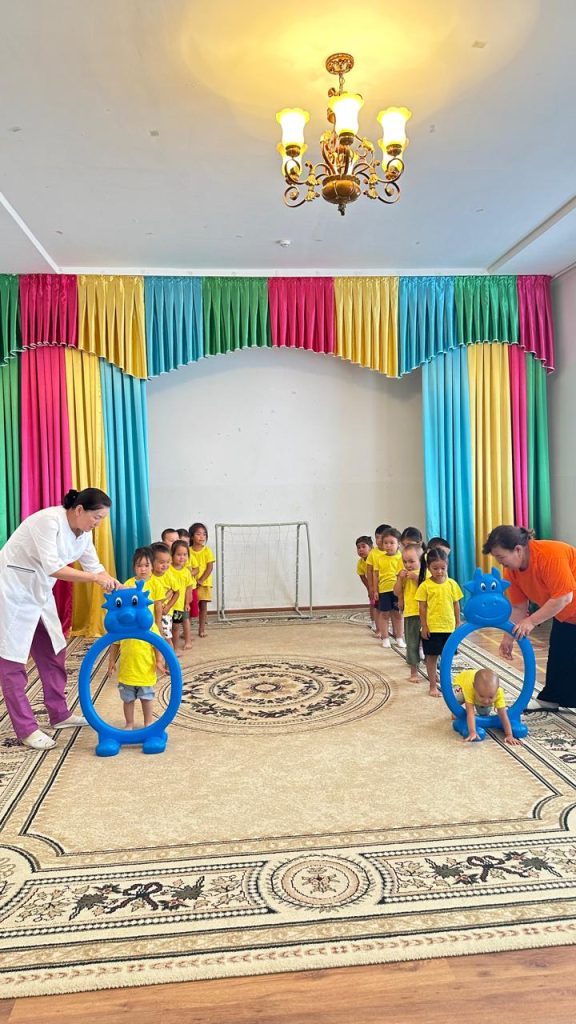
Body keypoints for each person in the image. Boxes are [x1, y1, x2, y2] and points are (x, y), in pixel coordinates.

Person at [0, 488, 119, 749]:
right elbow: (53, 567)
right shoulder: (48, 521)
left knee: (55, 650)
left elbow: (95, 567)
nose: (98, 524)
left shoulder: (84, 533)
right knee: (12, 661)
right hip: (12, 590)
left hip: (40, 591)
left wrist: (119, 587)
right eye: (96, 517)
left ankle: (59, 714)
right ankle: (26, 729)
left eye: (102, 519)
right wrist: (95, 579)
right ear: (79, 510)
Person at [482, 525, 576, 710]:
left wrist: (532, 621)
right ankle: (551, 698)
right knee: (560, 655)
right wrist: (508, 637)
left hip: (566, 604)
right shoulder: (512, 571)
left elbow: (564, 596)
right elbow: (518, 607)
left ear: (518, 549)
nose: (500, 562)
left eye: (501, 557)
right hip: (565, 614)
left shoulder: (550, 555)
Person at [108, 547, 165, 728]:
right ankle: (129, 723)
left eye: (146, 565)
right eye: (139, 566)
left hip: (145, 656)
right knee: (127, 698)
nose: (143, 569)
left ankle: (148, 723)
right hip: (127, 668)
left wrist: (159, 660)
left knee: (147, 697)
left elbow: (158, 607)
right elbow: (115, 644)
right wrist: (111, 661)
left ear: (152, 566)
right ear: (134, 567)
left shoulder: (155, 584)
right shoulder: (128, 584)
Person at [415, 547, 463, 698]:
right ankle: (432, 685)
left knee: (447, 658)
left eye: (443, 568)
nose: (439, 571)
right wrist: (424, 626)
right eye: (435, 568)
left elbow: (456, 604)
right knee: (431, 657)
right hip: (433, 628)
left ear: (447, 566)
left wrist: (458, 623)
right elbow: (422, 608)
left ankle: (446, 683)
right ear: (429, 568)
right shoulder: (425, 586)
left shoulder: (452, 584)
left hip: (449, 628)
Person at [452, 668, 521, 745]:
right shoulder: (470, 689)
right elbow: (470, 713)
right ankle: (455, 711)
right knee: (459, 697)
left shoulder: (498, 693)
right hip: (462, 682)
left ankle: (482, 698)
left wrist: (509, 735)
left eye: (491, 697)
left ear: (497, 690)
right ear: (474, 687)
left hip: (478, 689)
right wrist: (472, 732)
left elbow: (503, 715)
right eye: (481, 696)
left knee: (484, 712)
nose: (486, 701)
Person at [394, 544, 423, 681]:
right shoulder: (403, 574)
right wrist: (400, 579)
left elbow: (430, 588)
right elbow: (396, 592)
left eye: (411, 561)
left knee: (430, 644)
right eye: (405, 562)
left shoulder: (427, 573)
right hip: (411, 614)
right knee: (412, 643)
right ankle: (413, 672)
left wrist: (417, 578)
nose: (408, 565)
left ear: (421, 560)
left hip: (428, 614)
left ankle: (434, 670)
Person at [374, 528, 405, 649]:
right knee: (384, 614)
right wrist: (375, 590)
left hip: (398, 591)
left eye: (392, 543)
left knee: (398, 615)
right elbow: (376, 575)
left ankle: (399, 637)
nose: (388, 545)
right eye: (385, 543)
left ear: (398, 544)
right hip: (384, 590)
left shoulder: (401, 558)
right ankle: (385, 638)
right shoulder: (380, 558)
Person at [189, 522, 215, 638]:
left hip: (204, 583)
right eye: (198, 534)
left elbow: (210, 567)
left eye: (204, 534)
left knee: (203, 606)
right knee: (189, 606)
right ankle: (187, 630)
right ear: (191, 536)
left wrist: (201, 580)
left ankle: (201, 629)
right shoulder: (188, 551)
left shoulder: (207, 550)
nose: (202, 537)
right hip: (190, 584)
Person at [365, 524, 390, 638]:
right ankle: (379, 629)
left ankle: (395, 631)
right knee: (377, 608)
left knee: (393, 611)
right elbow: (369, 571)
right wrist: (371, 587)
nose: (379, 540)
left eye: (381, 537)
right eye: (377, 537)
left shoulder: (394, 553)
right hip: (377, 587)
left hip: (390, 587)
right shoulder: (373, 553)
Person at [150, 542, 177, 645]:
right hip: (152, 611)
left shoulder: (169, 576)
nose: (165, 565)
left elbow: (177, 592)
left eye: (168, 562)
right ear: (152, 561)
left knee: (166, 636)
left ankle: (171, 655)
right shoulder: (149, 576)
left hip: (165, 613)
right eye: (161, 562)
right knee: (154, 635)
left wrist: (168, 606)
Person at [170, 539, 194, 651]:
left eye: (185, 554)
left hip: (180, 605)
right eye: (179, 554)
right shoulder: (168, 569)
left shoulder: (186, 572)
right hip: (169, 605)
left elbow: (189, 589)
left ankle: (187, 641)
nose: (182, 557)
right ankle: (172, 647)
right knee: (171, 626)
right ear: (172, 555)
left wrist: (187, 603)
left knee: (180, 623)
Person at [355, 535, 376, 631]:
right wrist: (369, 588)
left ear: (371, 548)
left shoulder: (375, 558)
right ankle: (373, 622)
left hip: (382, 585)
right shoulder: (360, 563)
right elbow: (362, 576)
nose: (361, 550)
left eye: (363, 546)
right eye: (358, 547)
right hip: (372, 586)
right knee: (373, 603)